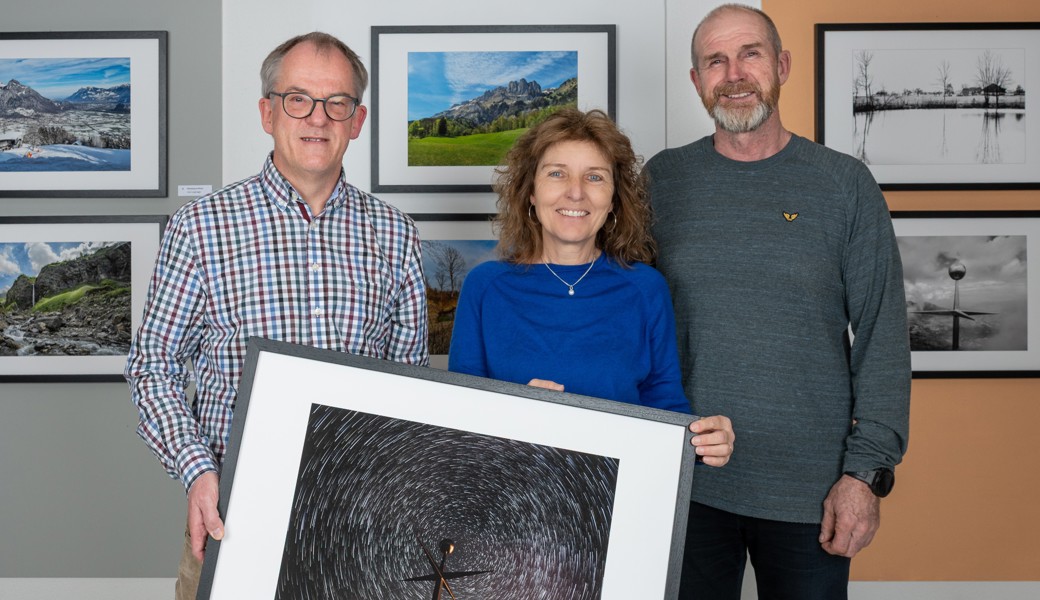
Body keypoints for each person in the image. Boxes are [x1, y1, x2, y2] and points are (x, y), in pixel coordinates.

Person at [124, 32, 428, 600]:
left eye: (337, 102)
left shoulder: (396, 235)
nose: (318, 117)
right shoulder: (201, 228)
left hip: (356, 532)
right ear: (268, 112)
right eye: (298, 99)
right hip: (233, 519)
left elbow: (408, 386)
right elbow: (152, 367)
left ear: (357, 121)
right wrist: (197, 471)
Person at [644, 5, 910, 599]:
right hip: (686, 481)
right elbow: (622, 315)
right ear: (696, 81)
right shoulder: (662, 180)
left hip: (809, 490)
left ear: (782, 65)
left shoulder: (844, 185)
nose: (733, 73)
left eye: (750, 54)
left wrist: (862, 475)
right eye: (715, 60)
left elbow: (882, 338)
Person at [448, 107, 734, 465]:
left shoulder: (646, 289)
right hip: (506, 503)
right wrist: (512, 413)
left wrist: (705, 442)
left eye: (594, 177)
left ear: (613, 199)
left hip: (618, 507)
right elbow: (456, 430)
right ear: (531, 193)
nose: (575, 193)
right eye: (557, 174)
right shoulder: (485, 287)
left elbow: (667, 415)